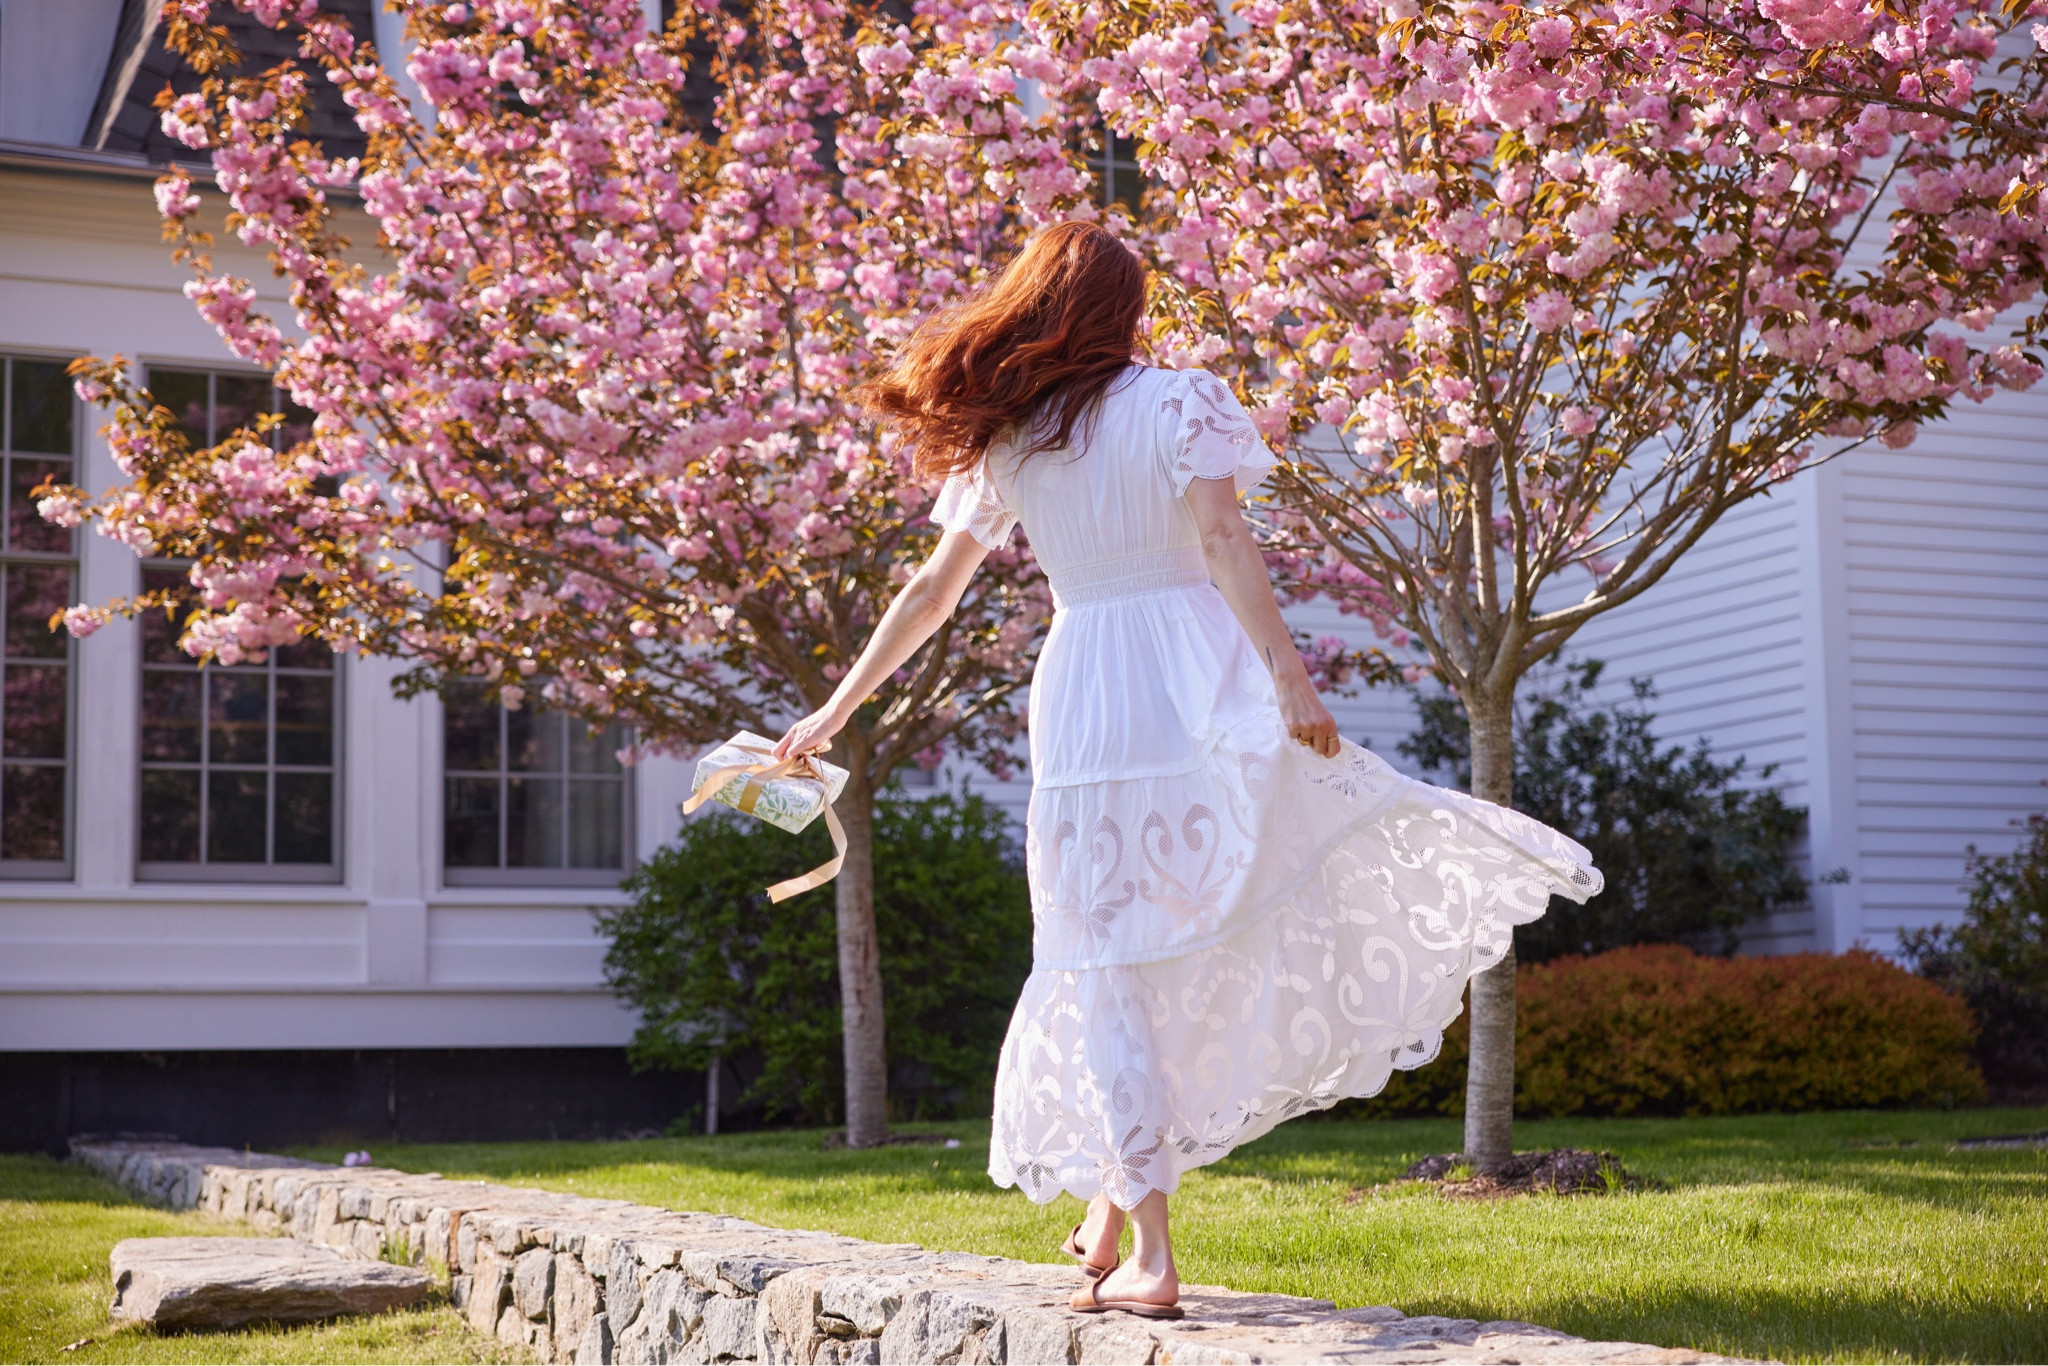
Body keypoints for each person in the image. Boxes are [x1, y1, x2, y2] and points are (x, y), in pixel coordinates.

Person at [774, 221, 1601, 1319]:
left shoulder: (1012, 439)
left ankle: (1130, 1229)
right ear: (1121, 310)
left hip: (1084, 687)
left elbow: (931, 593)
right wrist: (1291, 679)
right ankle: (1138, 1233)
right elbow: (1221, 542)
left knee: (1105, 951)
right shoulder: (1180, 401)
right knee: (1181, 920)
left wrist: (836, 707)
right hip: (1190, 673)